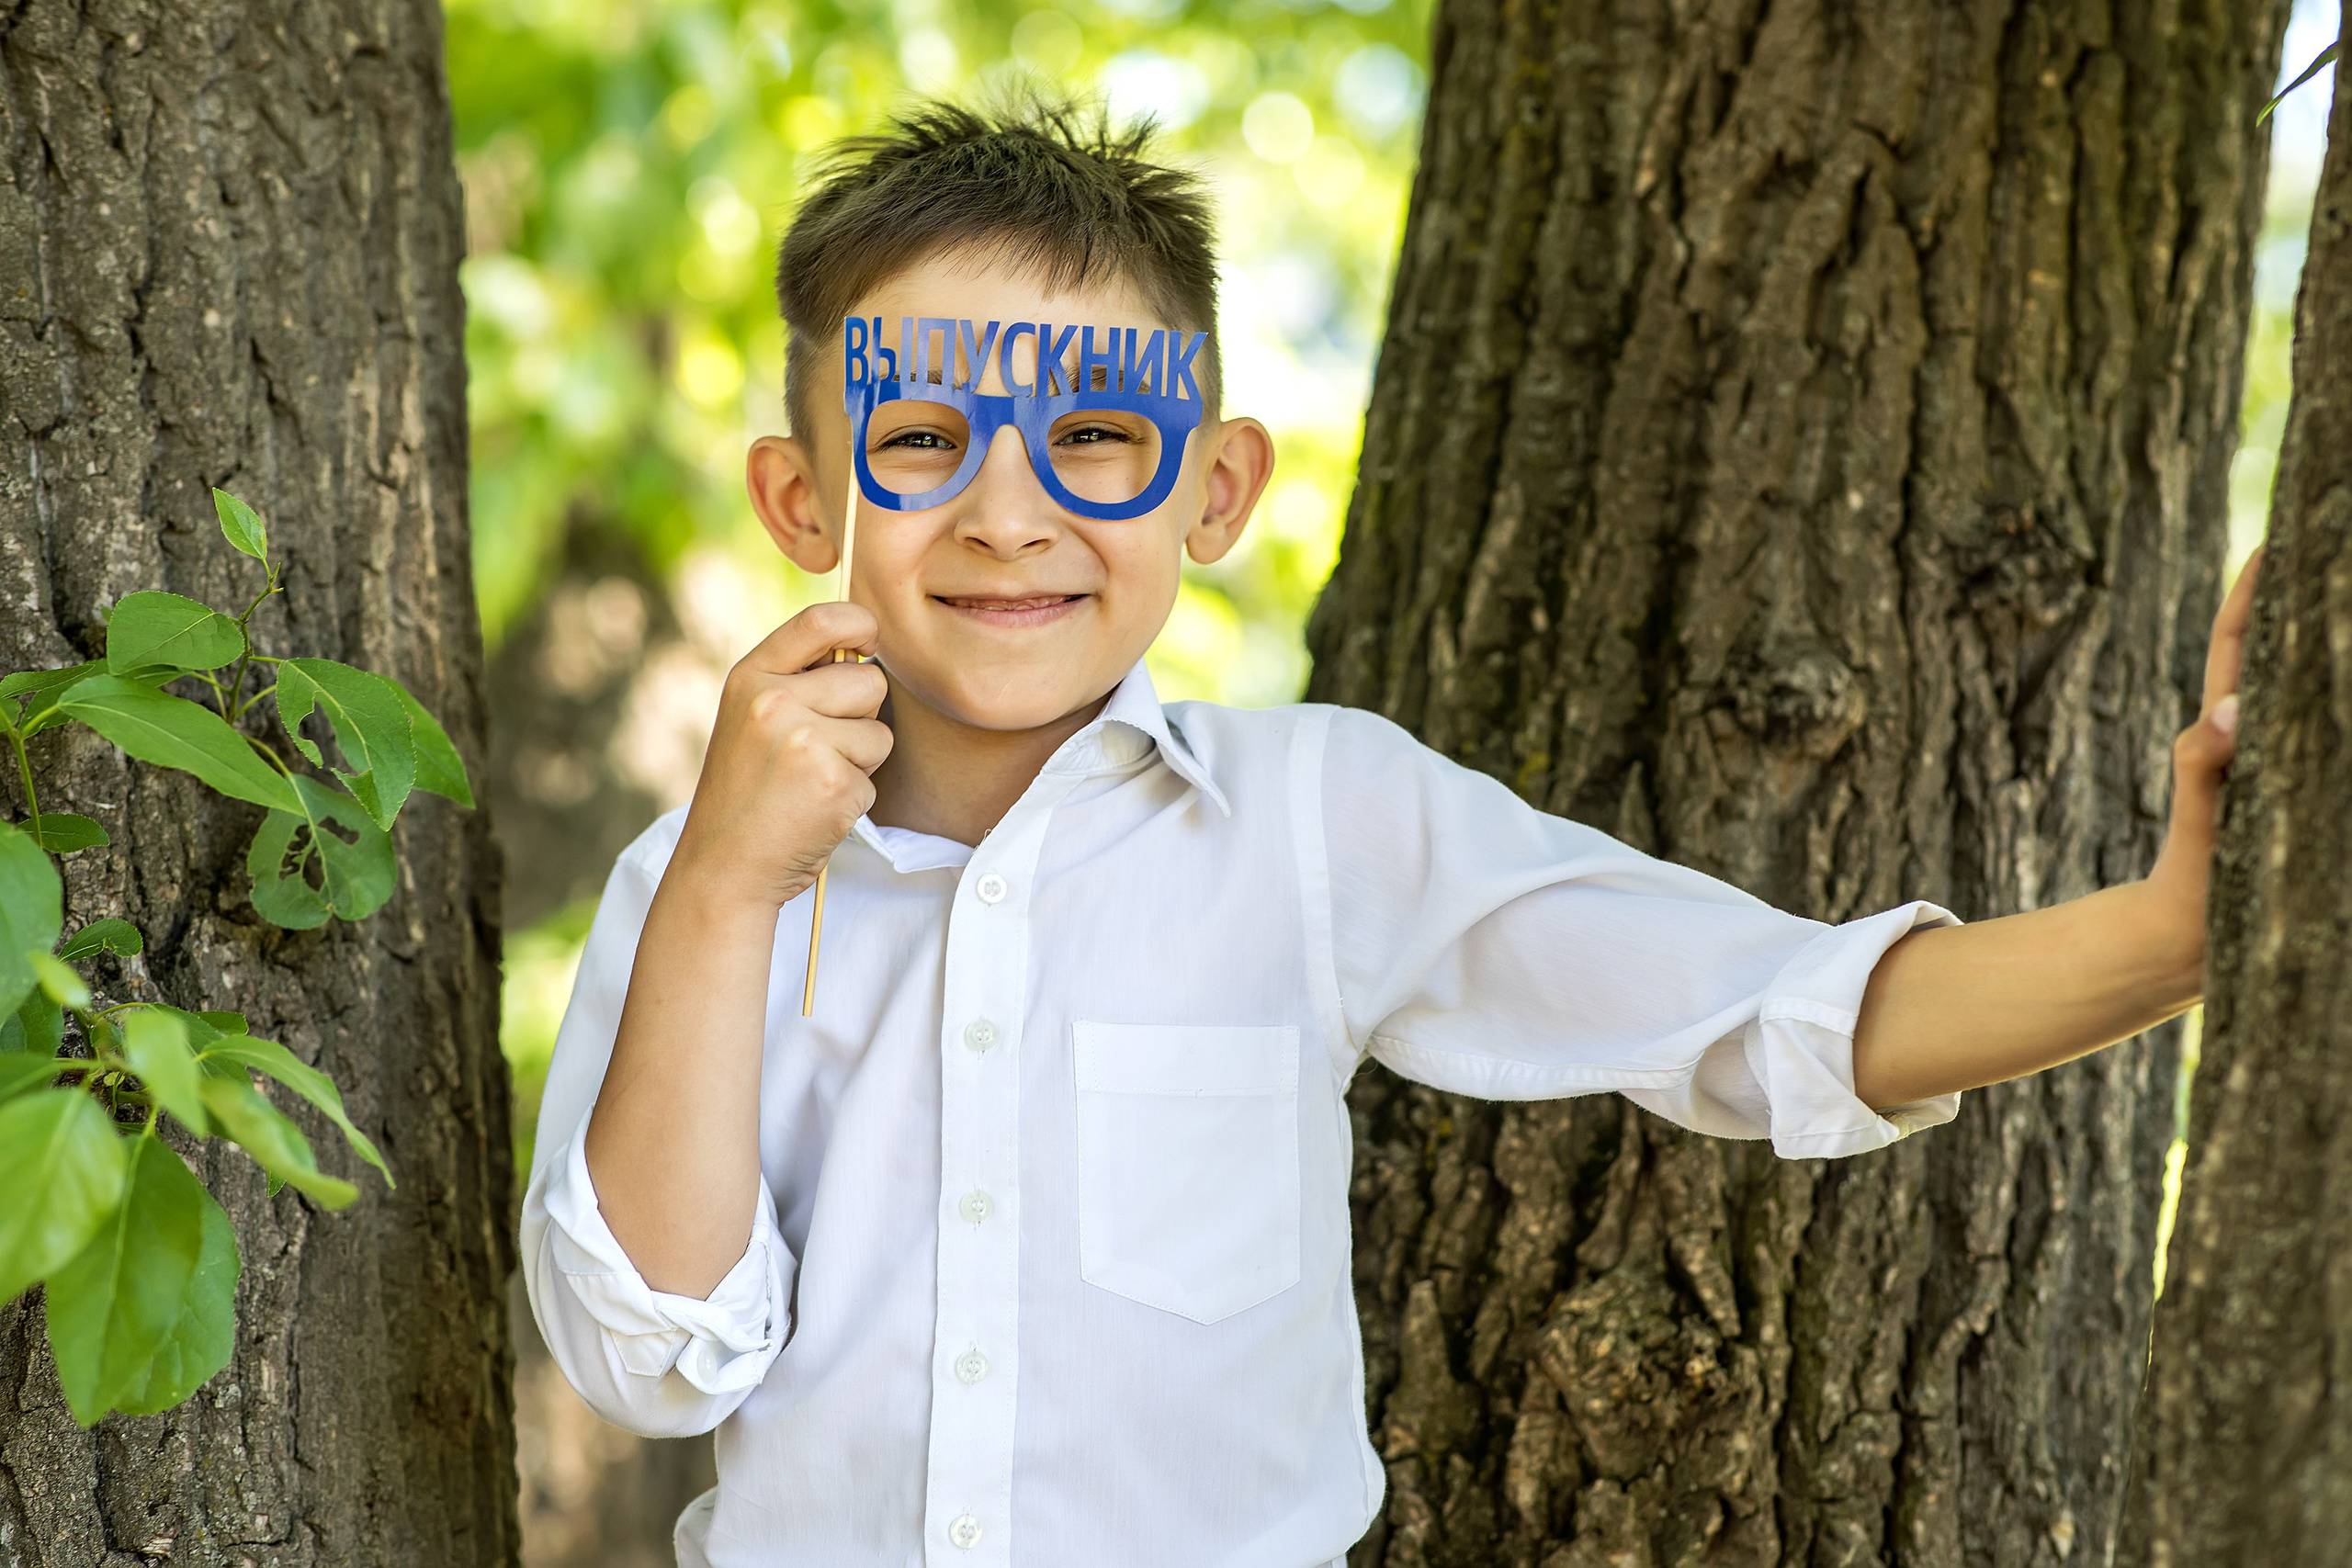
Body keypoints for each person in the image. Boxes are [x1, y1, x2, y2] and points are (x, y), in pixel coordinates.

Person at [520, 100, 2255, 1568]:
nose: (1006, 512)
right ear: (802, 498)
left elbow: (1780, 1013)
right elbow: (647, 1359)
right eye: (921, 438)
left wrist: (2187, 930)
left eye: (1097, 436)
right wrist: (734, 881)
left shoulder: (1316, 820)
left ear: (1215, 489)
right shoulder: (694, 889)